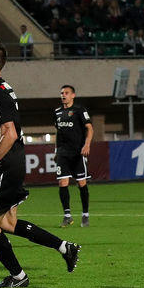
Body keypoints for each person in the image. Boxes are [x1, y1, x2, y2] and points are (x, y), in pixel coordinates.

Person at [0, 42, 79, 287]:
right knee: (7, 223)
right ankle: (64, 247)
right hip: (12, 162)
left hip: (6, 166)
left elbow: (8, 134)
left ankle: (19, 276)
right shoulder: (3, 88)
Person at [55, 85, 94, 227]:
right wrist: (56, 151)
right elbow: (58, 133)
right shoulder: (57, 112)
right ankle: (67, 216)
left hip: (78, 153)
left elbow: (89, 128)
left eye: (66, 93)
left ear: (73, 95)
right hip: (63, 153)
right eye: (61, 93)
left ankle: (85, 215)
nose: (63, 95)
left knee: (81, 183)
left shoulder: (79, 110)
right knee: (62, 182)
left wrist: (87, 145)